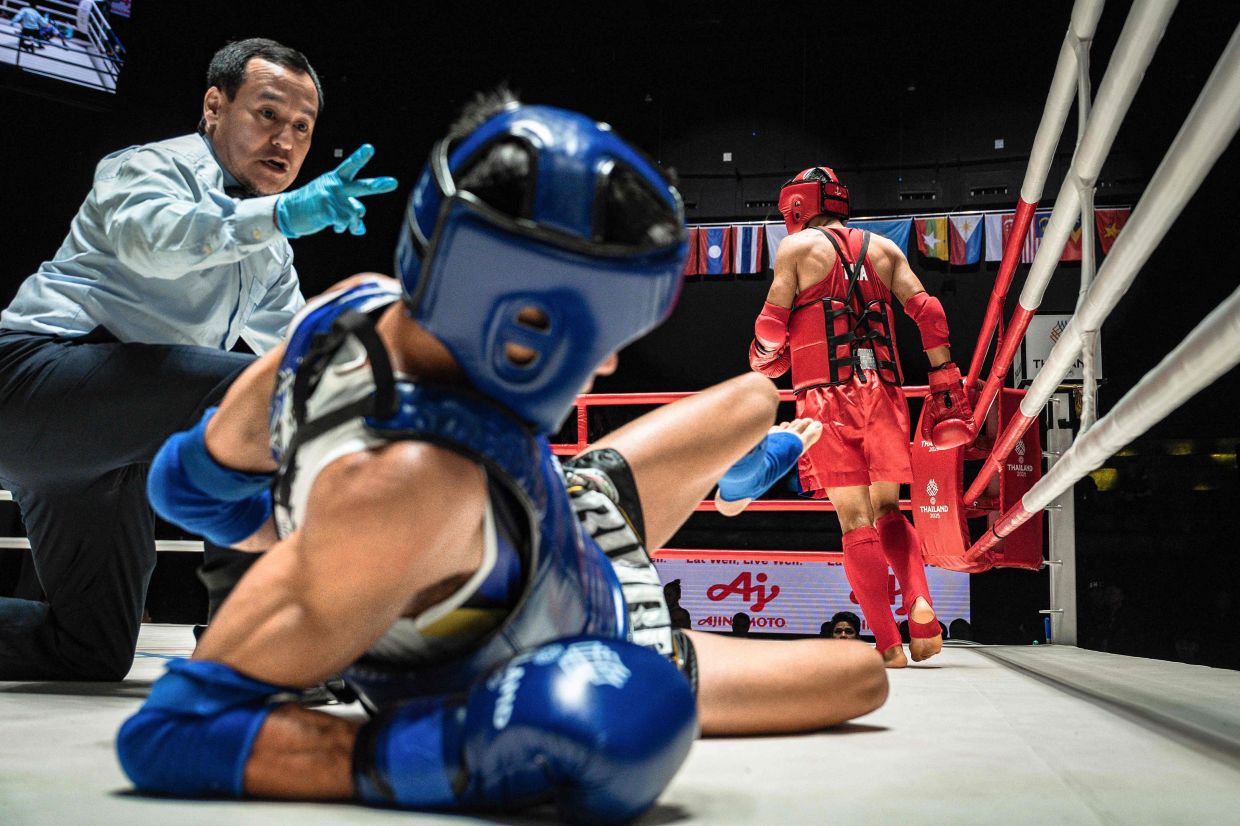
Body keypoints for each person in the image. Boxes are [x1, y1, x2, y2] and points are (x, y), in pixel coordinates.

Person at [115, 93, 888, 822]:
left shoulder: (347, 308)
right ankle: (732, 482)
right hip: (608, 639)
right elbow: (171, 735)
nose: (610, 367)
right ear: (523, 319)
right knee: (863, 677)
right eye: (601, 336)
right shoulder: (403, 486)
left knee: (756, 396)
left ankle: (737, 477)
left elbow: (189, 487)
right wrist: (456, 755)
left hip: (567, 501)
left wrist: (320, 546)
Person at [0, 37, 397, 680]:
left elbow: (300, 349)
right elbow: (157, 244)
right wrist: (284, 215)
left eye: (302, 127)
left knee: (88, 649)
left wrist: (402, 383)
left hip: (105, 449)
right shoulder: (147, 168)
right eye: (267, 114)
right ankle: (252, 645)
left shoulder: (268, 251)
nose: (287, 140)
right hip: (30, 384)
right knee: (258, 395)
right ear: (215, 107)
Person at [749, 166, 974, 668]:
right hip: (886, 393)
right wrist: (944, 381)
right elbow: (930, 314)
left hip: (826, 397)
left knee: (854, 520)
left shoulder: (797, 249)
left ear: (797, 207)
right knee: (889, 510)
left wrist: (763, 357)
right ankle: (922, 610)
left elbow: (770, 326)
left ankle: (888, 643)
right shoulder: (885, 249)